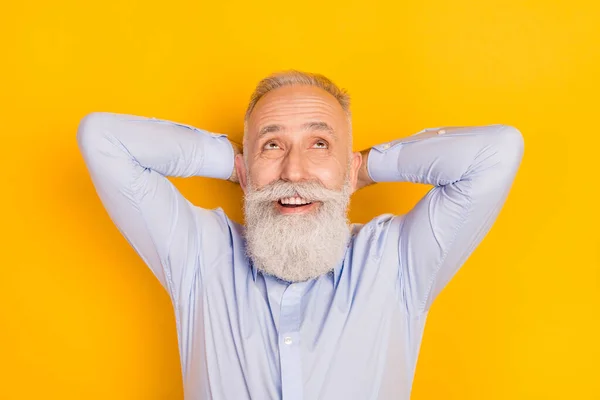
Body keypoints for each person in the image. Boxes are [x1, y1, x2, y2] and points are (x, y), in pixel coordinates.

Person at [77, 70, 524, 400]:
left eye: (320, 145)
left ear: (347, 166)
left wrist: (364, 168)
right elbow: (102, 137)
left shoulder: (396, 260)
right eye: (271, 145)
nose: (293, 171)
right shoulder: (200, 253)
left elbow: (497, 152)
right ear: (245, 171)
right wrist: (231, 163)